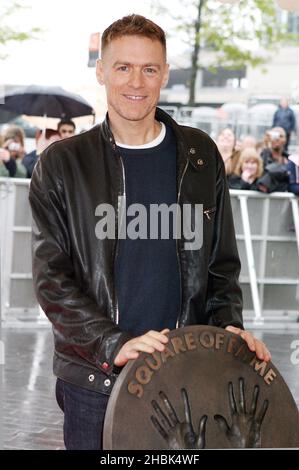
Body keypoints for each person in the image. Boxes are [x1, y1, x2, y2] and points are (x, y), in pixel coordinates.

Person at [29, 14, 271, 451]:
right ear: (101, 71)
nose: (136, 81)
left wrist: (227, 330)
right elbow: (52, 279)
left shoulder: (200, 156)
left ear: (164, 74)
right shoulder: (63, 164)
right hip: (96, 379)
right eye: (122, 67)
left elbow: (220, 268)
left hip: (187, 373)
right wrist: (113, 343)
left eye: (149, 68)